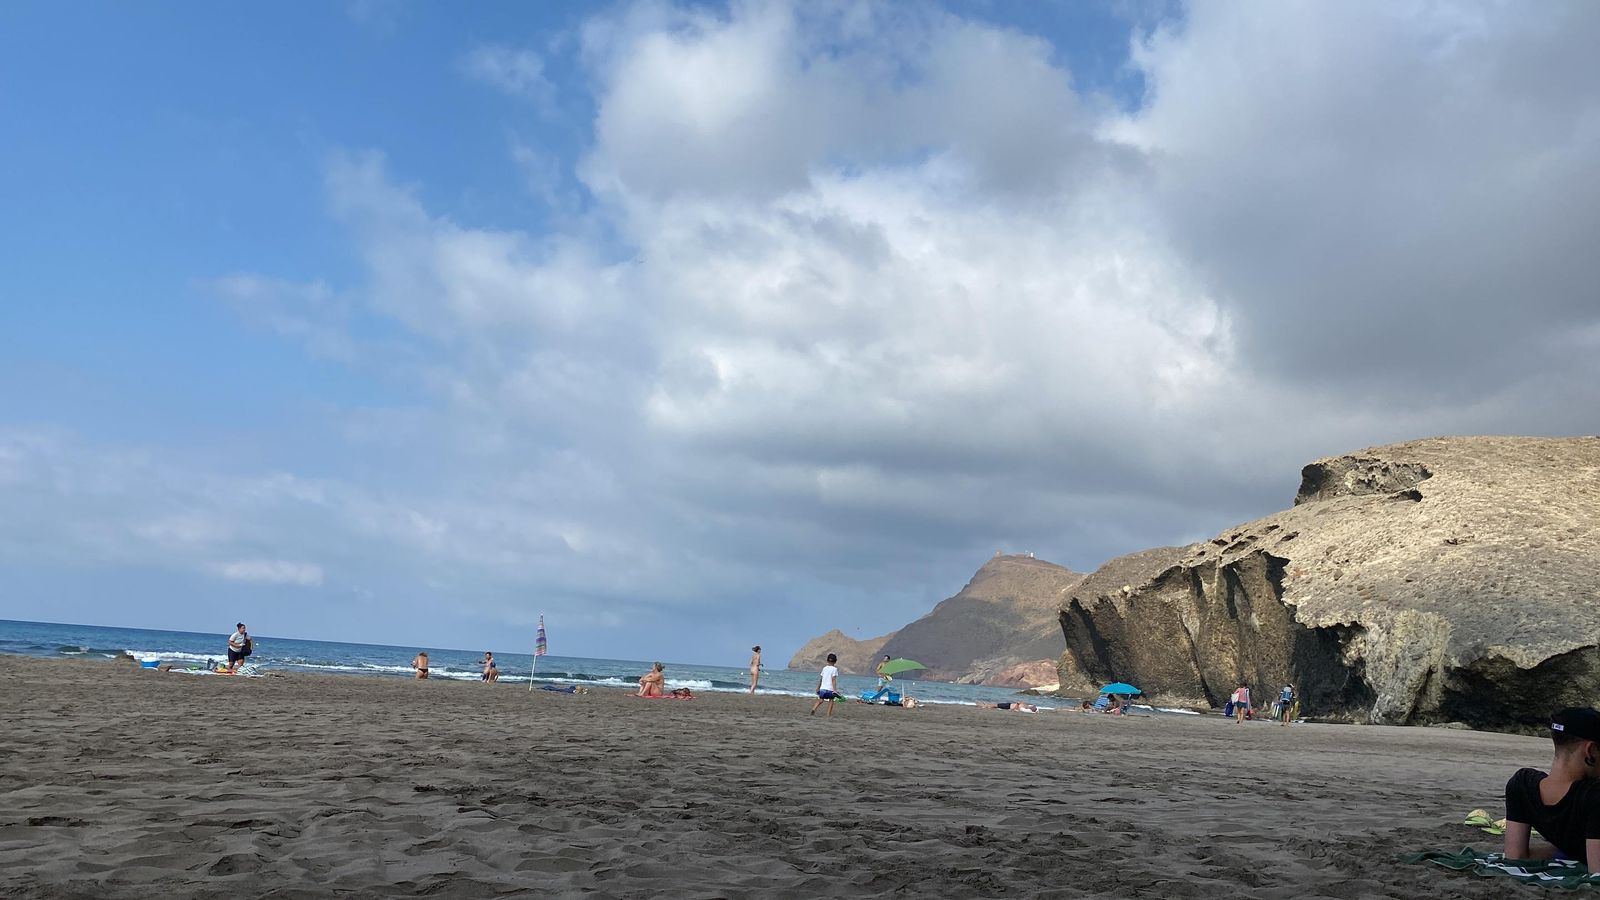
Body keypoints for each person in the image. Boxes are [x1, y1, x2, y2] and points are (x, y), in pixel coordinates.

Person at [1504, 708, 1600, 871]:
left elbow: (1515, 857)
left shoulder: (1522, 785)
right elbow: (1597, 871)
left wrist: (1565, 851)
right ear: (1590, 750)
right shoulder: (1593, 795)